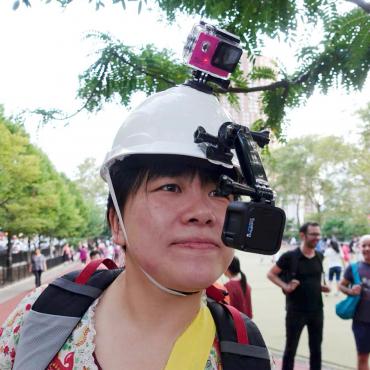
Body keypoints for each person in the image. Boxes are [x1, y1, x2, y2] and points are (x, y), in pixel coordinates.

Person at [0, 84, 270, 369]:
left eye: (220, 192)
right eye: (170, 187)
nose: (202, 213)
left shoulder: (246, 353)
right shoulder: (38, 318)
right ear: (117, 223)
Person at [267, 222, 331, 370]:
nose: (317, 237)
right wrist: (286, 286)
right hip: (296, 311)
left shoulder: (320, 256)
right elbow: (271, 274)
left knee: (316, 349)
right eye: (314, 234)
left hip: (317, 311)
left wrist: (320, 287)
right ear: (303, 235)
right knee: (291, 348)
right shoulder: (290, 257)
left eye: (318, 234)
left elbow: (312, 279)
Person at [339, 235, 370, 370]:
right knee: (362, 357)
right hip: (361, 321)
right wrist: (351, 291)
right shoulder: (354, 268)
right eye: (364, 245)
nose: (367, 248)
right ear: (359, 247)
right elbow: (341, 285)